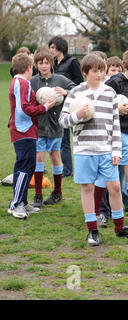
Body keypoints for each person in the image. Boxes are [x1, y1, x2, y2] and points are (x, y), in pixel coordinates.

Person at [58, 53, 128, 246]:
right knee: (87, 188)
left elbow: (115, 124)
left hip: (106, 150)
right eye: (95, 71)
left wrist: (116, 151)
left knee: (115, 187)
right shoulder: (76, 93)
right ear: (85, 72)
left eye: (101, 71)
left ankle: (120, 227)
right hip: (84, 150)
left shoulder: (109, 93)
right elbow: (62, 121)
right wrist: (77, 115)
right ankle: (92, 230)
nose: (99, 74)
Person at [94, 48, 128, 228]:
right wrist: (116, 110)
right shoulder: (114, 83)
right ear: (126, 66)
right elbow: (100, 106)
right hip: (111, 136)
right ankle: (100, 213)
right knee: (107, 175)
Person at [7, 53, 56, 219]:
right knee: (27, 166)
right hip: (23, 130)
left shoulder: (19, 82)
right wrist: (45, 107)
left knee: (23, 166)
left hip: (24, 130)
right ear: (29, 68)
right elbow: (24, 109)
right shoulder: (22, 84)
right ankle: (16, 204)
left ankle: (22, 202)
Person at [30, 47, 76, 208]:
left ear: (51, 63)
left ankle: (57, 192)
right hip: (39, 126)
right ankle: (38, 195)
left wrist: (66, 92)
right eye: (40, 63)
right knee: (39, 157)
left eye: (46, 63)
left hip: (56, 126)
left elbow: (77, 90)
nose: (43, 66)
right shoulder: (33, 82)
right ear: (36, 64)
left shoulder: (61, 79)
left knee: (55, 156)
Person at [48, 36, 84, 178]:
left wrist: (66, 92)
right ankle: (63, 168)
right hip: (55, 106)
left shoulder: (72, 62)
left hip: (70, 105)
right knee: (59, 139)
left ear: (60, 47)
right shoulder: (53, 64)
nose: (51, 50)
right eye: (50, 47)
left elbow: (80, 83)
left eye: (52, 47)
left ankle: (67, 170)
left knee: (65, 140)